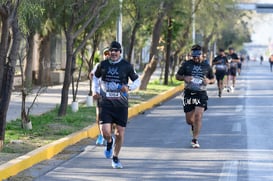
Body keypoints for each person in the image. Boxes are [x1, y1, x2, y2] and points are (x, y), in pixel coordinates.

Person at [92, 41, 140, 169]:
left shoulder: (126, 66)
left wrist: (128, 87)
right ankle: (109, 141)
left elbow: (137, 80)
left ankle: (115, 157)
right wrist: (95, 90)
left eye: (116, 51)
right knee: (105, 132)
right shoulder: (102, 65)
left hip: (121, 105)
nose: (113, 53)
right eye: (111, 50)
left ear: (120, 52)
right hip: (105, 103)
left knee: (120, 132)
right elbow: (95, 78)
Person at [175, 44, 215, 148]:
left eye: (197, 56)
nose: (195, 59)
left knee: (198, 116)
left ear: (202, 55)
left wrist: (209, 81)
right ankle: (193, 126)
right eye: (194, 57)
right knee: (189, 120)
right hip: (188, 93)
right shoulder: (186, 64)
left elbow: (213, 79)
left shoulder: (207, 66)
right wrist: (184, 78)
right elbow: (177, 76)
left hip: (201, 94)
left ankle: (195, 139)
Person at [89, 47, 110, 146]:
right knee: (99, 117)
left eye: (109, 53)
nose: (107, 55)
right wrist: (94, 91)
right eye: (105, 53)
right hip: (100, 95)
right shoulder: (99, 65)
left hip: (112, 96)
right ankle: (101, 135)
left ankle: (108, 133)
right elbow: (93, 77)